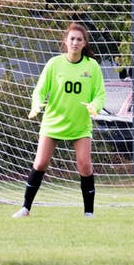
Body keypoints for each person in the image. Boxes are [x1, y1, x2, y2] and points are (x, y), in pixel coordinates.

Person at [13, 22, 105, 219]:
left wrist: (94, 106)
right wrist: (36, 105)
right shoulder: (54, 64)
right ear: (65, 41)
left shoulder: (92, 66)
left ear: (84, 43)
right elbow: (40, 90)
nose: (75, 42)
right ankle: (25, 208)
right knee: (40, 163)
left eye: (79, 39)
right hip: (53, 122)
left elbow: (99, 94)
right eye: (72, 38)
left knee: (85, 165)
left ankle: (89, 212)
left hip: (79, 125)